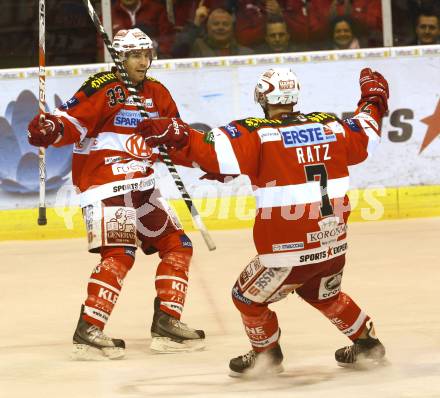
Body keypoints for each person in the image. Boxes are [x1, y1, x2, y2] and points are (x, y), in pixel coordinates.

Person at [136, 66, 389, 376]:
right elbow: (368, 128)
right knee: (323, 293)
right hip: (333, 245)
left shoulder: (258, 132)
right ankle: (368, 344)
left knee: (246, 298)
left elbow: (207, 149)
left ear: (261, 97)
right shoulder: (330, 126)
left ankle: (267, 354)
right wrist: (373, 99)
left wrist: (179, 134)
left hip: (287, 253)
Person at [27, 28, 205, 360]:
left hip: (143, 190)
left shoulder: (157, 93)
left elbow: (176, 139)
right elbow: (71, 122)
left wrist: (199, 152)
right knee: (120, 255)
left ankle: (167, 322)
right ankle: (89, 329)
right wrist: (51, 128)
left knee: (178, 246)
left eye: (146, 54)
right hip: (105, 188)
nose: (143, 61)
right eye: (135, 55)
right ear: (119, 58)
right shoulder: (103, 89)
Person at [173, 7, 253, 58]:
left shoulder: (246, 54)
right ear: (208, 27)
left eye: (225, 24)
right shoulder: (196, 47)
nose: (220, 27)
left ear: (232, 28)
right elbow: (178, 51)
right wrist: (196, 23)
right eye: (215, 24)